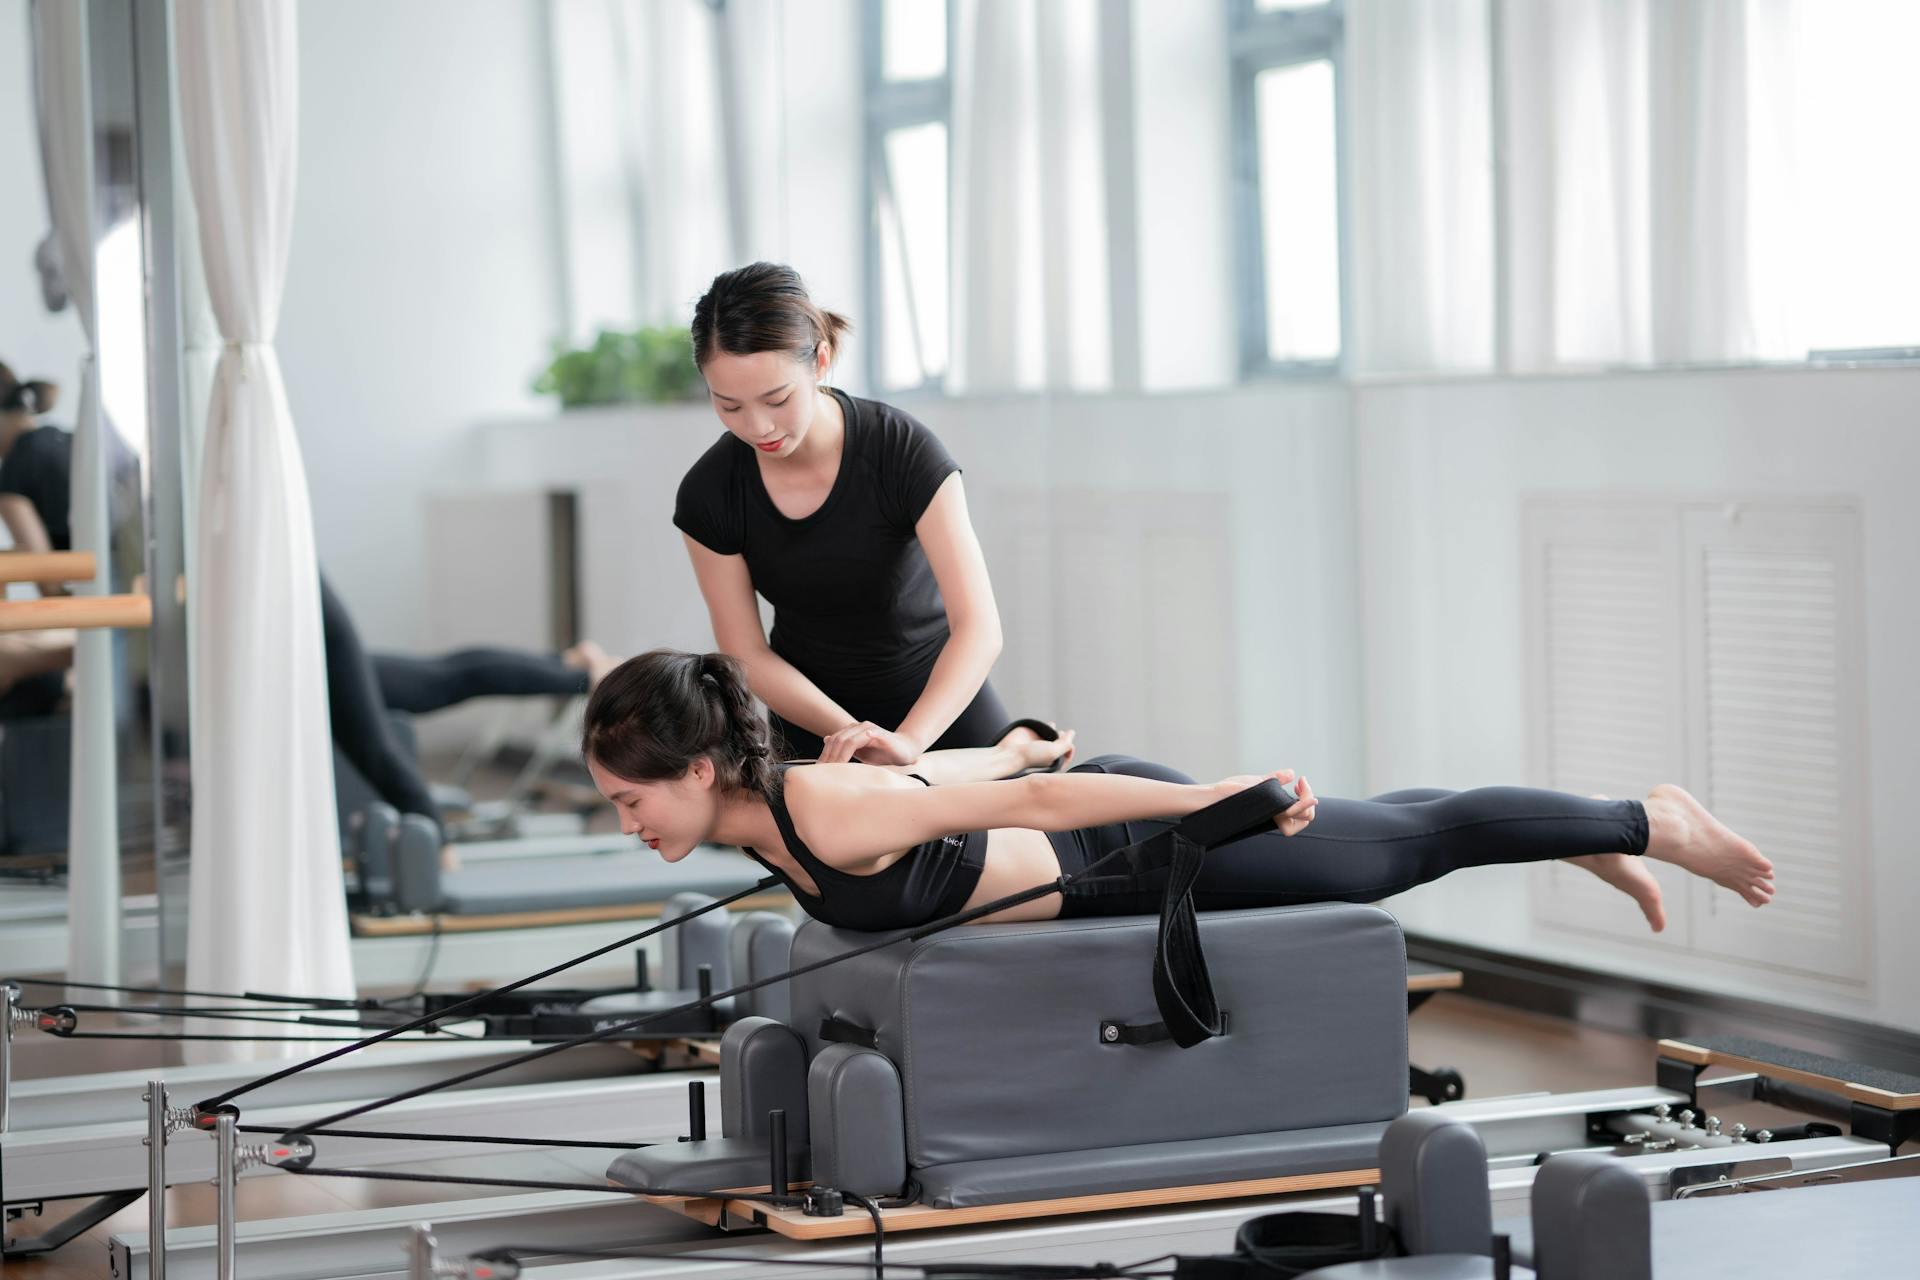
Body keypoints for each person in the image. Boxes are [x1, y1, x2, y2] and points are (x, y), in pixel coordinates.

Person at [581, 649, 1777, 934]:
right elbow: (943, 779)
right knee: (1395, 828)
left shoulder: (819, 808)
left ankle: (1648, 820)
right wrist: (1014, 749)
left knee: (1383, 854)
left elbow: (1042, 817)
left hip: (1142, 852)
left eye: (632, 799)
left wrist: (1213, 793)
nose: (628, 824)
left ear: (698, 769)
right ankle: (1563, 836)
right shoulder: (779, 812)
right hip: (1115, 862)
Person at [675, 262, 1007, 767]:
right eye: (729, 406)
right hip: (814, 723)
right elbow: (747, 652)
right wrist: (853, 736)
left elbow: (979, 626)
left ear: (820, 361)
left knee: (1023, 835)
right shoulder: (710, 492)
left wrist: (908, 741)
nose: (758, 426)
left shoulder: (903, 451)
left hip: (939, 706)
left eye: (777, 398)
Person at [321, 574, 616, 838]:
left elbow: (373, 747)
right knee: (444, 678)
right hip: (312, 658)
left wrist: (434, 833)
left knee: (445, 679)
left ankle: (583, 672)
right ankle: (572, 667)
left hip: (318, 656)